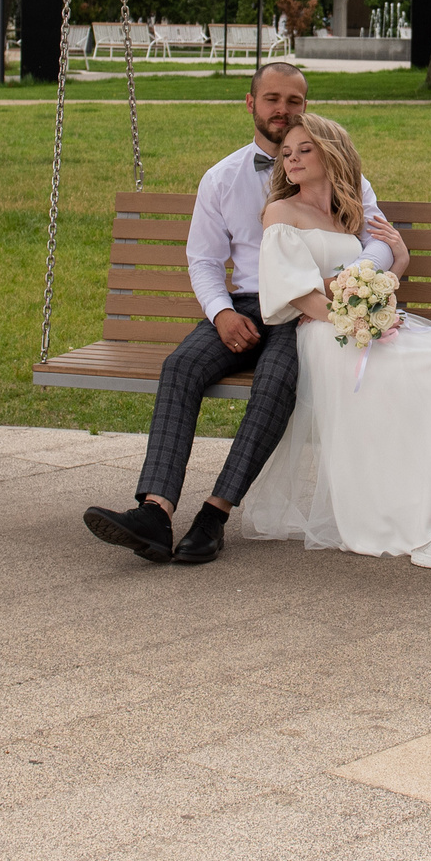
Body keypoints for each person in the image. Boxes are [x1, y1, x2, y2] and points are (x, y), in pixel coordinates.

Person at [81, 62, 402, 567]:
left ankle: (213, 515)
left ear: (305, 107)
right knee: (181, 367)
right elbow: (204, 261)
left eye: (294, 101)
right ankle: (154, 512)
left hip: (305, 312)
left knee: (275, 384)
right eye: (272, 99)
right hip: (247, 305)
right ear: (251, 104)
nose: (283, 110)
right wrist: (221, 313)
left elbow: (381, 240)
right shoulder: (223, 178)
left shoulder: (345, 177)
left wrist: (351, 278)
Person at [240, 113, 431, 575]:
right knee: (394, 381)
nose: (292, 159)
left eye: (304, 149)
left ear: (331, 153)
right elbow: (298, 295)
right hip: (325, 333)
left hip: (370, 323)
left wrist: (400, 261)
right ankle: (422, 531)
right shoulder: (280, 213)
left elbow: (377, 283)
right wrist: (354, 322)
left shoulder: (347, 217)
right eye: (286, 153)